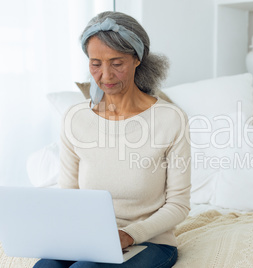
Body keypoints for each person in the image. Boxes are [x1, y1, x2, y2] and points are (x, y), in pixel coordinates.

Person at [34, 11, 191, 268]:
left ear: (137, 59)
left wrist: (129, 235)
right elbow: (69, 195)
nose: (105, 76)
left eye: (117, 63)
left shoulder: (171, 119)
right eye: (96, 64)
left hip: (150, 242)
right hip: (88, 238)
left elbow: (179, 206)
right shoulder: (75, 118)